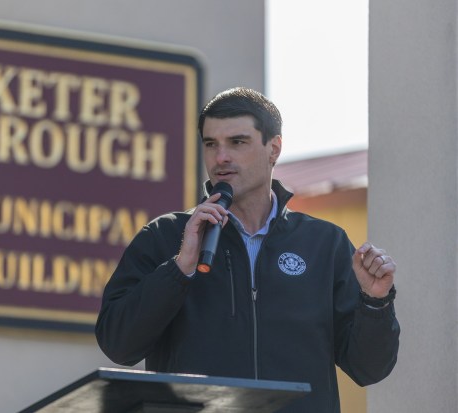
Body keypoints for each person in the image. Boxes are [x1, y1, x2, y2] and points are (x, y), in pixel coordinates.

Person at [95, 87, 400, 412]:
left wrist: (375, 302)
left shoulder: (324, 243)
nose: (221, 157)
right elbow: (118, 345)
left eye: (237, 142)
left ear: (274, 148)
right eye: (211, 144)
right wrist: (179, 268)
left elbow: (368, 368)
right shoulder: (165, 235)